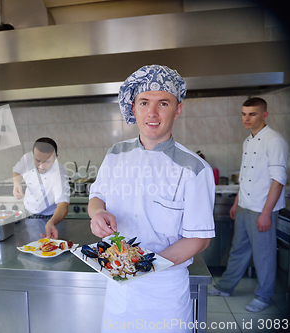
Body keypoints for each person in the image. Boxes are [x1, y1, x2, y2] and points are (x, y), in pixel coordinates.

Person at [88, 65, 215, 332]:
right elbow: (97, 196)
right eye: (144, 102)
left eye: (163, 103)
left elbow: (199, 238)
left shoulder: (194, 168)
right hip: (118, 287)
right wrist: (97, 213)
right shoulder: (115, 154)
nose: (152, 113)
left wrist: (145, 267)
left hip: (164, 291)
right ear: (134, 108)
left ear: (178, 109)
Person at [208, 97, 288, 312]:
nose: (246, 118)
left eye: (252, 114)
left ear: (264, 115)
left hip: (262, 208)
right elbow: (245, 177)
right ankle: (226, 286)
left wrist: (266, 213)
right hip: (244, 205)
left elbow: (278, 179)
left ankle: (263, 296)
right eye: (244, 113)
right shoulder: (248, 141)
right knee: (238, 250)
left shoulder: (274, 140)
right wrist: (236, 203)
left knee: (264, 254)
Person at [13, 137, 70, 239]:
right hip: (27, 216)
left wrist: (52, 222)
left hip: (51, 219)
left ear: (55, 158)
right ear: (32, 155)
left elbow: (63, 205)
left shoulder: (59, 174)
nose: (41, 166)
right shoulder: (27, 159)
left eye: (47, 162)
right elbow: (17, 171)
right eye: (37, 160)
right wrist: (16, 183)